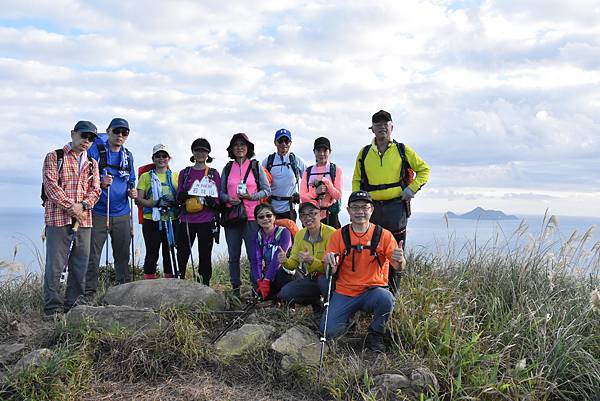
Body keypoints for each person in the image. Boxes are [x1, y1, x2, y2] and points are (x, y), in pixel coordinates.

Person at [351, 110, 429, 295]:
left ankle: (392, 295)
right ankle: (374, 290)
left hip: (396, 208)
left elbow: (424, 170)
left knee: (395, 251)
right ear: (372, 129)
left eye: (385, 124)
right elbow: (356, 179)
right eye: (378, 125)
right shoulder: (364, 153)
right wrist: (358, 204)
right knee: (372, 250)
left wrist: (411, 190)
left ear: (392, 127)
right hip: (372, 210)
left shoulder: (402, 150)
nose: (382, 128)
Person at [321, 191, 406, 353]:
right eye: (355, 207)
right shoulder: (339, 235)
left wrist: (400, 259)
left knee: (386, 298)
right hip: (345, 292)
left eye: (364, 207)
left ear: (371, 210)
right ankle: (350, 319)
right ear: (348, 211)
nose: (360, 211)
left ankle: (376, 332)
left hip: (373, 291)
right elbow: (330, 271)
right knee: (329, 331)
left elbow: (399, 267)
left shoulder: (384, 235)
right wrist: (330, 262)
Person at [42, 121, 101, 316]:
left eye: (91, 138)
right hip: (58, 220)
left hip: (84, 220)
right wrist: (72, 208)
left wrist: (83, 206)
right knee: (55, 266)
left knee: (80, 265)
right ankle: (53, 308)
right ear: (73, 134)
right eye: (84, 135)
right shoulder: (55, 157)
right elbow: (51, 186)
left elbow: (96, 190)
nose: (87, 140)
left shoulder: (92, 163)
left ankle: (74, 305)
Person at [85, 117, 137, 296]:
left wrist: (133, 192)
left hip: (122, 212)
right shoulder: (96, 150)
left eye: (125, 133)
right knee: (93, 255)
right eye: (116, 131)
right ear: (108, 131)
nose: (120, 135)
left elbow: (131, 181)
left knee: (122, 255)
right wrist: (100, 182)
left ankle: (122, 292)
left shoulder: (128, 155)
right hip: (99, 211)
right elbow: (85, 177)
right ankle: (89, 292)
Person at [220, 133, 271, 297]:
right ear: (231, 149)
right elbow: (220, 193)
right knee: (233, 255)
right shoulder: (228, 168)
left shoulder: (256, 166)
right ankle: (235, 289)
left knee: (253, 255)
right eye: (236, 145)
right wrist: (228, 198)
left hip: (251, 217)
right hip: (232, 217)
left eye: (242, 145)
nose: (239, 147)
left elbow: (266, 190)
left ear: (248, 148)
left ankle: (256, 288)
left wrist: (252, 196)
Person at [176, 138, 221, 285]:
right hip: (186, 219)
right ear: (192, 152)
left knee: (205, 255)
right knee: (182, 253)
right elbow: (178, 196)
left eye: (204, 151)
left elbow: (219, 199)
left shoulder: (214, 174)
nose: (200, 153)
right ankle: (180, 281)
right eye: (197, 150)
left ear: (208, 154)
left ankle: (204, 285)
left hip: (207, 220)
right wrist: (184, 196)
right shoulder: (185, 172)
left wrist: (211, 202)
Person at [277, 202, 336, 309]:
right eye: (303, 215)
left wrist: (311, 261)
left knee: (324, 282)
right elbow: (293, 263)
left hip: (331, 278)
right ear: (300, 218)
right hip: (312, 278)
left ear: (320, 214)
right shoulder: (300, 234)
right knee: (285, 293)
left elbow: (331, 268)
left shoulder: (331, 233)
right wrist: (285, 261)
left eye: (312, 213)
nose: (308, 217)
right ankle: (316, 303)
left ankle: (331, 310)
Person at [136, 144, 180, 278]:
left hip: (172, 220)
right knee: (151, 253)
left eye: (164, 156)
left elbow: (180, 198)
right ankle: (149, 286)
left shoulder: (176, 176)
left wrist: (174, 202)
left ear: (169, 158)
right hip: (151, 220)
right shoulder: (145, 177)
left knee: (169, 252)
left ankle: (169, 283)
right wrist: (156, 203)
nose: (161, 159)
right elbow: (138, 200)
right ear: (153, 158)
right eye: (158, 156)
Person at [252, 203, 295, 300]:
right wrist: (260, 281)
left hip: (286, 271)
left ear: (274, 217)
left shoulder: (284, 232)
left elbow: (277, 258)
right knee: (255, 281)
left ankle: (290, 304)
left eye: (269, 215)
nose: (265, 219)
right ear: (257, 221)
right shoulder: (257, 236)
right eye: (261, 217)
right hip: (269, 272)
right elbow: (256, 259)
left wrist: (266, 281)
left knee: (281, 275)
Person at [262, 128, 306, 221]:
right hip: (270, 210)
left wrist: (301, 196)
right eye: (280, 141)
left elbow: (308, 180)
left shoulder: (297, 161)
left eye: (286, 141)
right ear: (275, 142)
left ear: (290, 143)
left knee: (289, 235)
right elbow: (260, 183)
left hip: (289, 208)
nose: (283, 144)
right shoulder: (268, 161)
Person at [300, 137, 343, 228]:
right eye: (319, 151)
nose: (322, 154)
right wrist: (316, 192)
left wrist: (326, 183)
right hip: (311, 216)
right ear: (314, 152)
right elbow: (303, 197)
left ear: (330, 152)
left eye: (325, 150)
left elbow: (338, 195)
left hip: (330, 215)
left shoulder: (336, 170)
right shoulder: (308, 171)